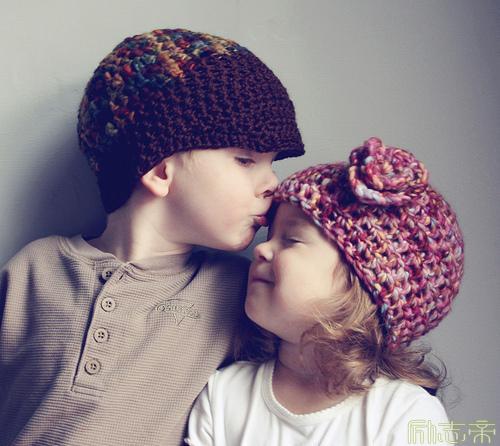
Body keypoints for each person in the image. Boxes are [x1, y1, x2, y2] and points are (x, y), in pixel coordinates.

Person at [0, 28, 304, 446]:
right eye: (245, 160)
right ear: (160, 171)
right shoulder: (33, 270)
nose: (272, 183)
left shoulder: (241, 291)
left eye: (272, 164)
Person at [186, 137, 465, 446]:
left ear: (360, 284)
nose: (261, 249)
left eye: (291, 239)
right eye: (270, 236)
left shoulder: (406, 414)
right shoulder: (224, 394)